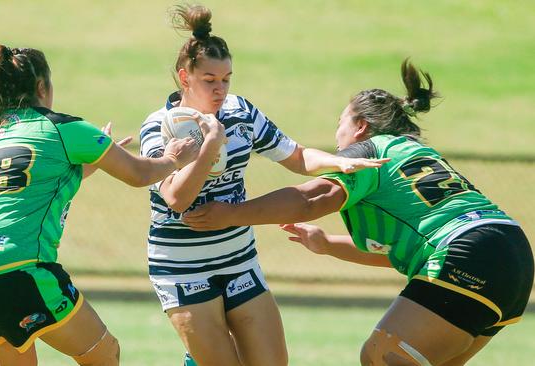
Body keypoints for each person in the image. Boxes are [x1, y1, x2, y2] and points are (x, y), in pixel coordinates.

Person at [183, 60, 534, 365]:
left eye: (341, 122)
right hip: (513, 256)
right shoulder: (414, 152)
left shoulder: (369, 153)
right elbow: (412, 255)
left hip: (466, 252)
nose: (337, 134)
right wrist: (328, 244)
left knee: (380, 356)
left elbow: (312, 199)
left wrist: (232, 213)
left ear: (361, 126)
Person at [139, 5, 387, 366]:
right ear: (185, 77)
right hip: (182, 267)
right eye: (209, 80)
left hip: (239, 258)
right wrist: (210, 145)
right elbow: (176, 199)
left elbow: (297, 156)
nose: (220, 89)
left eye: (226, 79)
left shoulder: (242, 113)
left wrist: (340, 161)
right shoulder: (159, 126)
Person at [0, 44, 199, 366]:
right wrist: (175, 158)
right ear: (42, 87)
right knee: (104, 354)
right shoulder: (63, 127)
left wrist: (92, 161)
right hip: (14, 268)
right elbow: (139, 174)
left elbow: (27, 185)